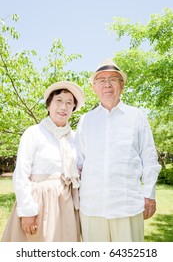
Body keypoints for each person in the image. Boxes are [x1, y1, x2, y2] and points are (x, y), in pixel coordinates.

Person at [75, 58, 161, 242]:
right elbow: (78, 163)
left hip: (127, 204)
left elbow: (149, 158)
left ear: (122, 85)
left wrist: (149, 195)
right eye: (101, 80)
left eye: (113, 79)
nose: (107, 85)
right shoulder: (85, 121)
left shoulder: (137, 116)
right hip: (92, 205)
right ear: (94, 87)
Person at [1, 81, 85, 242]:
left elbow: (81, 169)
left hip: (66, 203)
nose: (64, 107)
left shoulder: (75, 137)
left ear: (73, 109)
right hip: (39, 202)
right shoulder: (33, 133)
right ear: (48, 106)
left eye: (69, 103)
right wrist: (27, 211)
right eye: (59, 101)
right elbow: (21, 174)